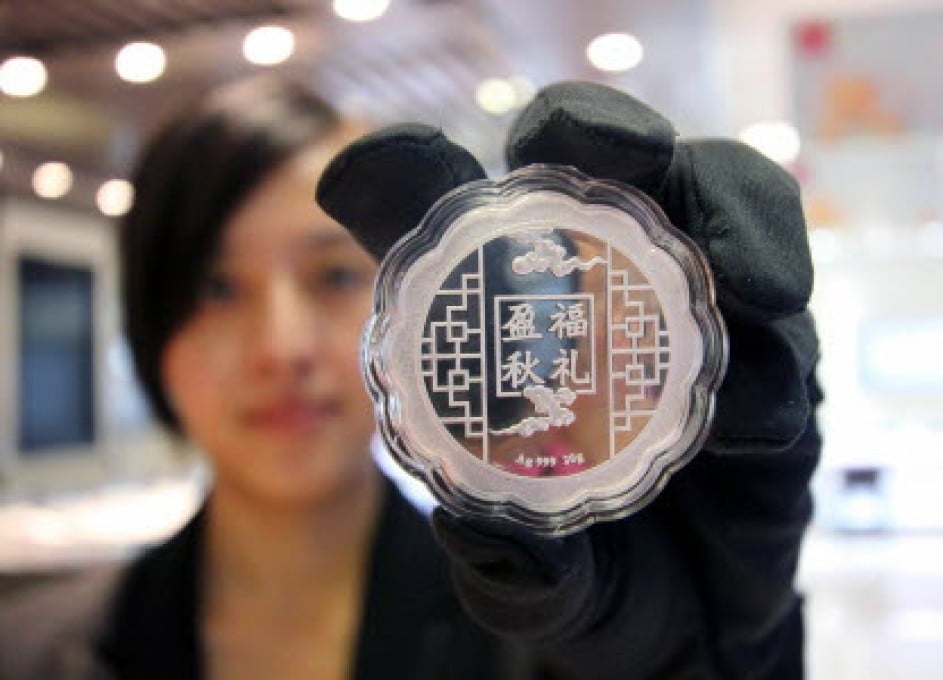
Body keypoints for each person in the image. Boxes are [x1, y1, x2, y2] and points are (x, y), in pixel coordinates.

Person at [0, 76, 821, 679]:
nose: (281, 348)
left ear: (421, 314)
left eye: (332, 277)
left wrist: (734, 663)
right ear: (153, 327)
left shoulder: (553, 644)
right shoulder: (28, 651)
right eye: (217, 289)